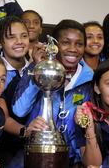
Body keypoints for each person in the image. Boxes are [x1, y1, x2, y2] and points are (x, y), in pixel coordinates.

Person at [13, 19, 94, 167]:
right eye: (66, 42)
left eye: (79, 44)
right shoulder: (37, 70)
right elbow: (19, 110)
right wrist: (37, 69)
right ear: (54, 46)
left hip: (73, 160)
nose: (73, 49)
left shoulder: (90, 81)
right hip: (36, 154)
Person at [0, 16, 30, 168]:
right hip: (1, 144)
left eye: (24, 36)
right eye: (11, 37)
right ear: (1, 43)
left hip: (32, 144)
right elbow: (3, 117)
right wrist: (26, 132)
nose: (19, 42)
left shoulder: (35, 67)